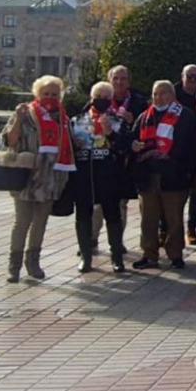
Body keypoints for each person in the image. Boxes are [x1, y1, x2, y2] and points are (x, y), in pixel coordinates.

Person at [0, 75, 72, 282]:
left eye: (54, 94)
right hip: (26, 176)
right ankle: (13, 266)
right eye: (46, 94)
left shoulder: (63, 117)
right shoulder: (26, 113)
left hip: (51, 178)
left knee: (40, 222)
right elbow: (9, 140)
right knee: (22, 222)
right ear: (37, 94)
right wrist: (18, 119)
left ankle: (33, 262)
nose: (50, 98)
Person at [132, 80, 196, 270]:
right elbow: (133, 139)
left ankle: (175, 254)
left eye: (163, 93)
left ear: (172, 95)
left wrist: (186, 171)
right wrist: (135, 146)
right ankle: (149, 254)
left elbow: (192, 147)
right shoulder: (145, 117)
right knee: (148, 219)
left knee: (174, 220)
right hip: (149, 176)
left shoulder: (185, 116)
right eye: (155, 94)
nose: (158, 97)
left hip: (174, 176)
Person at [66, 81, 129, 273]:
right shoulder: (77, 120)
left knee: (113, 215)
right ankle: (86, 257)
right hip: (84, 175)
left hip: (109, 175)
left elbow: (124, 146)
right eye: (98, 97)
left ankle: (117, 257)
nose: (101, 101)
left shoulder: (117, 121)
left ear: (111, 100)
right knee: (83, 215)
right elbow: (68, 147)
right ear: (91, 98)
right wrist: (74, 144)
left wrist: (110, 133)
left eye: (105, 98)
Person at [90, 65, 144, 254]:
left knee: (120, 204)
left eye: (123, 79)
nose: (119, 82)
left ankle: (117, 242)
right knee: (96, 204)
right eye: (116, 79)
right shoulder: (100, 98)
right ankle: (91, 240)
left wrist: (132, 120)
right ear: (109, 80)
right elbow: (84, 121)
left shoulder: (138, 101)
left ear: (129, 81)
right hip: (98, 160)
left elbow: (144, 128)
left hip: (124, 161)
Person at [175, 63, 196, 245]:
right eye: (190, 77)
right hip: (177, 152)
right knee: (175, 196)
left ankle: (191, 229)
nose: (193, 81)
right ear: (182, 77)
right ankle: (168, 230)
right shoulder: (173, 94)